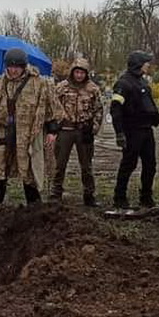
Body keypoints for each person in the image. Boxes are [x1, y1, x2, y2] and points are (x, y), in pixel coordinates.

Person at [0, 49, 61, 205]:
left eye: (17, 67)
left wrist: (52, 130)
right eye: (10, 66)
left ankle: (34, 206)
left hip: (27, 134)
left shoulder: (39, 84)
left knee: (28, 168)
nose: (13, 70)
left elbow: (50, 108)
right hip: (2, 133)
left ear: (24, 66)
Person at [110, 51, 159, 210]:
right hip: (132, 131)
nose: (148, 65)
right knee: (128, 164)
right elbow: (116, 109)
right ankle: (120, 197)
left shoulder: (143, 82)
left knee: (150, 165)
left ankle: (146, 197)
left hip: (146, 130)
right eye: (146, 62)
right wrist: (119, 133)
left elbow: (148, 104)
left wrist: (156, 117)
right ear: (138, 64)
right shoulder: (123, 83)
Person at [51, 57, 104, 207]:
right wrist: (55, 125)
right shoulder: (62, 87)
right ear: (72, 72)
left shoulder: (93, 89)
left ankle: (89, 195)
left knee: (86, 165)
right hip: (65, 130)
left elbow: (98, 110)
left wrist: (93, 129)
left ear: (86, 74)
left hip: (84, 131)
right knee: (59, 164)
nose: (79, 75)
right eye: (77, 72)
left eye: (82, 73)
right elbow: (54, 106)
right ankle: (56, 193)